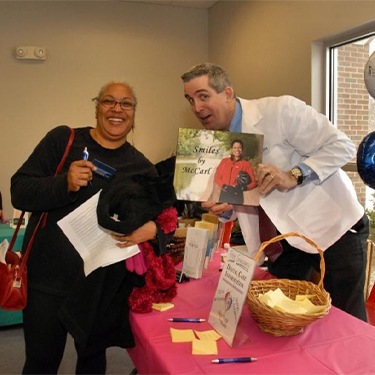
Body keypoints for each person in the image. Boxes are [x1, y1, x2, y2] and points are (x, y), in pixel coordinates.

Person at [11, 81, 177, 374]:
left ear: (134, 113)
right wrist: (64, 182)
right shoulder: (64, 140)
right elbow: (19, 190)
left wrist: (151, 230)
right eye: (108, 101)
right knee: (40, 364)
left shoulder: (141, 167)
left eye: (126, 104)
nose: (117, 109)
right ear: (97, 107)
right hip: (47, 282)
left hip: (101, 289)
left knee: (92, 365)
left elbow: (168, 221)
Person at [181, 62, 369, 321]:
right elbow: (239, 205)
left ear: (227, 93)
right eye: (190, 100)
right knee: (281, 316)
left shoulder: (280, 110)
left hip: (333, 228)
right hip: (282, 243)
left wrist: (293, 175)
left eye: (203, 96)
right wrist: (223, 208)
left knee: (346, 320)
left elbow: (342, 146)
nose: (197, 108)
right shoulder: (214, 144)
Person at [214, 138, 257, 204]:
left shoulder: (246, 164)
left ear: (242, 149)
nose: (237, 150)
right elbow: (217, 177)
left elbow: (254, 182)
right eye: (235, 148)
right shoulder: (224, 161)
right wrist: (224, 186)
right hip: (224, 194)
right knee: (221, 213)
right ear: (231, 149)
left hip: (237, 195)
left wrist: (243, 188)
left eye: (239, 147)